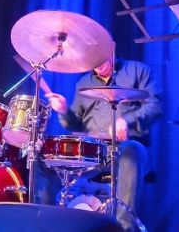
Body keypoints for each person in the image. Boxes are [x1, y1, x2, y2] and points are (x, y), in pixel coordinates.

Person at [45, 56, 161, 232]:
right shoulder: (83, 82)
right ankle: (45, 223)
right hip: (93, 152)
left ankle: (124, 228)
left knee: (130, 151)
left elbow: (156, 106)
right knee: (44, 158)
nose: (98, 63)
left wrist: (127, 121)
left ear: (111, 48)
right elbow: (75, 123)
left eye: (101, 56)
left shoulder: (138, 71)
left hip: (129, 147)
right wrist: (63, 111)